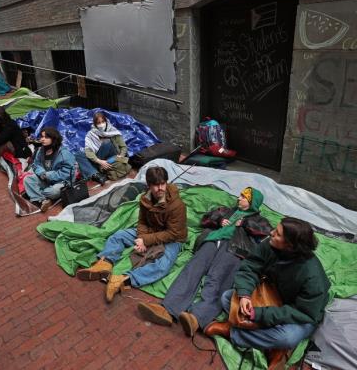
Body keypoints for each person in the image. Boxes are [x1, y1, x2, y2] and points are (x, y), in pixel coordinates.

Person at [137, 187, 270, 337]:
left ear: (253, 203)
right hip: (213, 241)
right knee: (192, 270)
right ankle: (168, 309)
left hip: (234, 249)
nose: (239, 198)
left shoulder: (258, 220)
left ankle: (197, 318)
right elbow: (206, 219)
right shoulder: (227, 210)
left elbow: (265, 232)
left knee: (217, 278)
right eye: (240, 195)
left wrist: (245, 223)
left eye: (244, 197)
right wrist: (219, 220)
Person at [204, 217, 331, 367]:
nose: (271, 233)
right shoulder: (269, 245)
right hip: (269, 297)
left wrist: (258, 314)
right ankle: (272, 348)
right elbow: (250, 266)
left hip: (297, 314)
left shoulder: (312, 276)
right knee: (227, 298)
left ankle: (232, 332)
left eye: (277, 233)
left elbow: (304, 313)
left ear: (290, 246)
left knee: (288, 338)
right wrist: (245, 295)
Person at [77, 166, 187, 303]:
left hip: (172, 239)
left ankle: (123, 280)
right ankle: (105, 264)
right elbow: (142, 221)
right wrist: (141, 237)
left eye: (163, 184)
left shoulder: (177, 205)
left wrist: (145, 240)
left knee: (163, 265)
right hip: (151, 231)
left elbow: (173, 233)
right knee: (119, 235)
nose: (161, 188)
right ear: (149, 185)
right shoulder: (145, 199)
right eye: (156, 185)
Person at [23, 127, 77, 212]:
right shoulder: (41, 150)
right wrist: (42, 173)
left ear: (54, 138)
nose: (43, 139)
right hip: (45, 178)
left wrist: (48, 175)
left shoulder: (64, 153)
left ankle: (37, 196)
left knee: (52, 192)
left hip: (62, 182)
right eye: (42, 137)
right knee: (28, 180)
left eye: (46, 137)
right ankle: (41, 200)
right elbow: (36, 164)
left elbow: (67, 173)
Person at [75, 112, 132, 185]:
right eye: (98, 123)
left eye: (103, 121)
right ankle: (97, 174)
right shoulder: (91, 134)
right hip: (99, 159)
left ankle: (95, 170)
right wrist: (99, 161)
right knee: (78, 155)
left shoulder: (113, 131)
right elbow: (89, 151)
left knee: (108, 143)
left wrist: (121, 155)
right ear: (95, 124)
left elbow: (123, 147)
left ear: (106, 121)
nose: (101, 124)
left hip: (115, 157)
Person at [0, 106, 32, 171]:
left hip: (18, 149)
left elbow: (1, 139)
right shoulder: (3, 123)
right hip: (11, 144)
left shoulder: (10, 125)